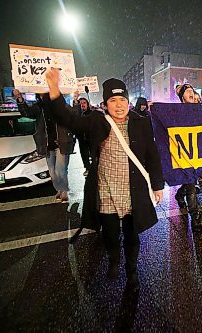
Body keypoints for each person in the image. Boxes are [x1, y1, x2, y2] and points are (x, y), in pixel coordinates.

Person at [45, 68, 164, 291]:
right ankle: (113, 259)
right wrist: (54, 89)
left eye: (122, 99)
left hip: (132, 189)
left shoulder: (140, 122)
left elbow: (152, 155)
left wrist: (157, 185)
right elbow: (68, 119)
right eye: (113, 100)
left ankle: (132, 271)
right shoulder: (97, 121)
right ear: (105, 103)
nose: (118, 105)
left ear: (128, 101)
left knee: (132, 235)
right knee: (110, 233)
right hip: (106, 190)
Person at [13, 89, 75, 202]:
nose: (43, 96)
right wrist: (19, 98)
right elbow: (26, 113)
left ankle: (64, 190)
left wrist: (75, 100)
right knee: (52, 171)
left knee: (60, 170)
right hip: (46, 144)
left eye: (45, 94)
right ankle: (59, 189)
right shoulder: (38, 107)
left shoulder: (60, 105)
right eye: (41, 94)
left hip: (61, 143)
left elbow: (73, 113)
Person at [174, 83, 202, 229]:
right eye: (188, 91)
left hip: (199, 153)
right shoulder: (176, 112)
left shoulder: (199, 110)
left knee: (189, 179)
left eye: (192, 90)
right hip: (185, 154)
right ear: (182, 97)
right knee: (191, 184)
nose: (191, 93)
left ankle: (179, 195)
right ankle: (195, 217)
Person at [72, 92, 93, 177]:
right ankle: (87, 168)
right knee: (84, 154)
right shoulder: (77, 115)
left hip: (91, 138)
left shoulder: (92, 113)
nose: (82, 105)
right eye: (80, 103)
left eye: (84, 103)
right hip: (81, 138)